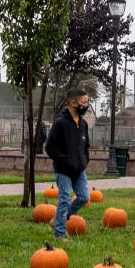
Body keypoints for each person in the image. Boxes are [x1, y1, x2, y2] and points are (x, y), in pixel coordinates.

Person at [44, 88, 91, 241]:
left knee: (84, 197)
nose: (86, 105)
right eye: (84, 103)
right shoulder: (60, 123)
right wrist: (64, 160)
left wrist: (84, 161)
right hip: (63, 170)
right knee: (64, 199)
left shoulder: (83, 124)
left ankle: (59, 219)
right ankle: (59, 233)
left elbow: (86, 147)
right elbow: (50, 147)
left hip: (79, 170)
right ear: (72, 103)